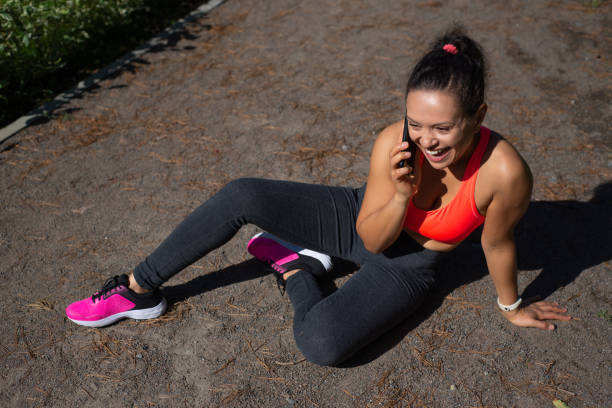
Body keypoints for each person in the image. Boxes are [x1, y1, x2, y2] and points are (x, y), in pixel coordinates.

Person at [65, 28, 571, 366]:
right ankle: (137, 289)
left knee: (322, 344)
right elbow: (371, 235)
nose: (426, 140)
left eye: (443, 127)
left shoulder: (505, 172)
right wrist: (398, 194)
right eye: (416, 123)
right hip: (365, 217)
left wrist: (511, 306)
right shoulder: (393, 141)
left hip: (412, 266)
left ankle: (297, 267)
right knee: (242, 193)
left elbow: (497, 244)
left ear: (478, 116)